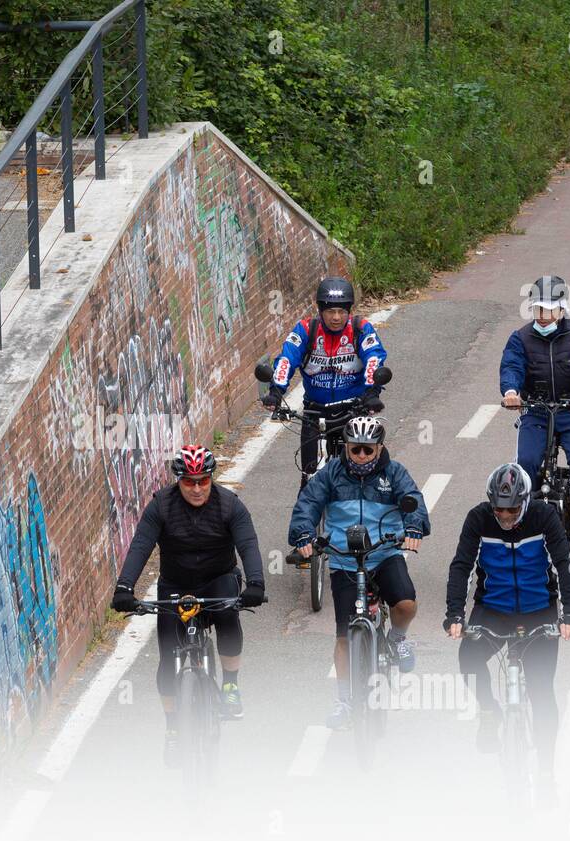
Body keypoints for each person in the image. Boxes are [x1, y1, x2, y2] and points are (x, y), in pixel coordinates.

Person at [111, 445, 267, 766]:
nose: (197, 489)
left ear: (211, 478)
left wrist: (255, 584)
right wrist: (125, 587)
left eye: (203, 481)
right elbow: (141, 545)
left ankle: (231, 686)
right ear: (178, 481)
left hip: (217, 578)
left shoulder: (229, 505)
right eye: (189, 482)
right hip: (176, 585)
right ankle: (172, 730)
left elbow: (248, 543)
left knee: (227, 615)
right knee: (168, 655)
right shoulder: (161, 507)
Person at [444, 463, 570, 807]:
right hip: (494, 609)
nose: (504, 516)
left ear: (524, 501)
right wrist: (455, 615)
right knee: (468, 660)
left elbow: (565, 563)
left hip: (539, 611)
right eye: (499, 509)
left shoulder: (544, 517)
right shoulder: (478, 519)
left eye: (511, 509)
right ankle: (490, 712)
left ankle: (548, 773)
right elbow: (461, 566)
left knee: (541, 692)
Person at [288, 416, 429, 730]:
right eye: (356, 450)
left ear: (379, 448)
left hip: (384, 553)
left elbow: (414, 501)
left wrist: (414, 527)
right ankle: (344, 700)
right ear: (347, 448)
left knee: (405, 604)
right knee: (343, 635)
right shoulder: (331, 475)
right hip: (344, 560)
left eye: (368, 450)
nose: (362, 456)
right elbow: (308, 503)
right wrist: (302, 534)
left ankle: (398, 637)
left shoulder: (395, 473)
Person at [500, 275, 570, 550]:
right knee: (526, 462)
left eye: (548, 309)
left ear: (562, 309)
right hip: (535, 410)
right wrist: (511, 392)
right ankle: (524, 520)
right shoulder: (520, 338)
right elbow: (511, 367)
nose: (542, 315)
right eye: (537, 308)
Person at [262, 277, 387, 489]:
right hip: (314, 413)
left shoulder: (361, 329)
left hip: (354, 409)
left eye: (341, 311)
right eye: (330, 312)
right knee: (308, 480)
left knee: (372, 471)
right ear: (320, 311)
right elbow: (287, 359)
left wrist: (372, 392)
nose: (336, 317)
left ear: (349, 311)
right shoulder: (305, 330)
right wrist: (275, 390)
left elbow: (373, 358)